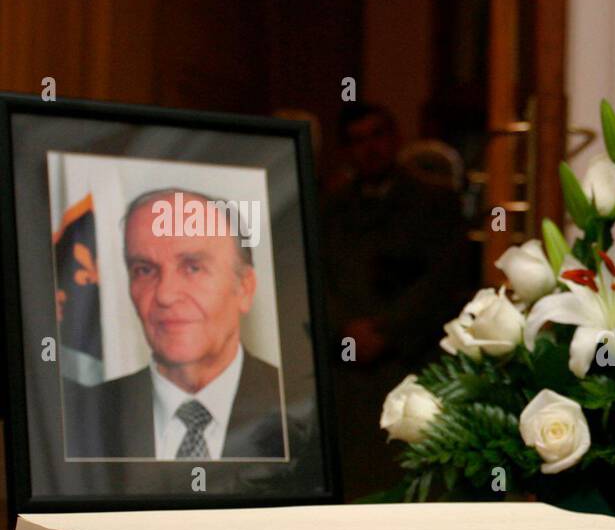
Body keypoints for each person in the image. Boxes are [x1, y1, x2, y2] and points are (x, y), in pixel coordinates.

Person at [321, 102, 478, 498]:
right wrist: (345, 327)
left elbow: (443, 280)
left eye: (377, 136)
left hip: (411, 358)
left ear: (394, 139)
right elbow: (318, 277)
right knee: (351, 479)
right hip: (348, 368)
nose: (370, 149)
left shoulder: (434, 202)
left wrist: (388, 331)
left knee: (409, 478)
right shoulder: (330, 208)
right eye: (358, 141)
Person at [65, 188, 286, 459]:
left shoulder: (299, 409)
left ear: (244, 288)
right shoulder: (76, 419)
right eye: (144, 270)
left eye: (193, 268)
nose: (165, 294)